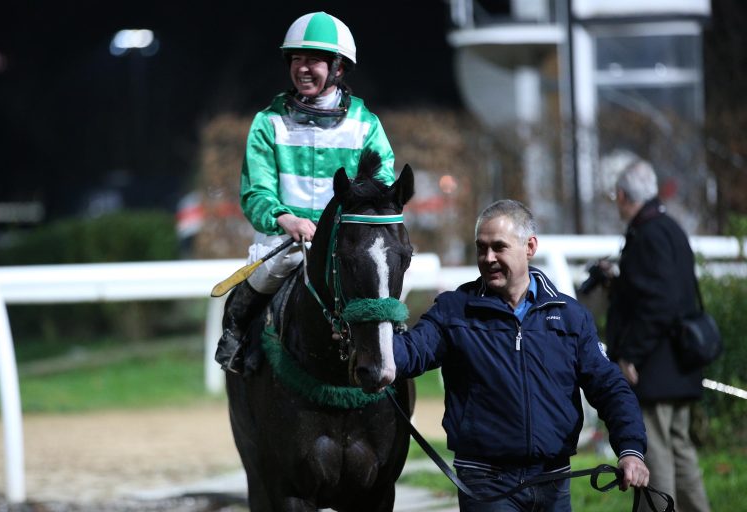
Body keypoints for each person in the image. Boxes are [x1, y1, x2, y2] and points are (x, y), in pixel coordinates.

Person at [393, 199, 649, 511]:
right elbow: (410, 352)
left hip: (554, 481)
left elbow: (609, 386)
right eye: (481, 248)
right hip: (485, 483)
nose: (488, 258)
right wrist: (369, 339)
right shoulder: (454, 310)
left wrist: (631, 450)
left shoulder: (570, 316)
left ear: (529, 247)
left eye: (498, 247)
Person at [214, 12, 396, 374]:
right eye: (297, 59)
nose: (303, 68)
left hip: (345, 243)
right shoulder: (268, 122)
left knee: (384, 285)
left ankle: (394, 357)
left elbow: (382, 185)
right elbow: (256, 192)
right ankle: (237, 340)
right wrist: (285, 219)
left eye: (313, 60)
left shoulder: (366, 125)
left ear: (339, 68)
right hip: (286, 241)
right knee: (269, 270)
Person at [605, 159, 711, 511]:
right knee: (681, 452)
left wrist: (630, 354)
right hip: (680, 364)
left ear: (622, 195)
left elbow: (658, 303)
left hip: (654, 367)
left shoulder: (646, 234)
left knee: (656, 454)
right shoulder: (670, 227)